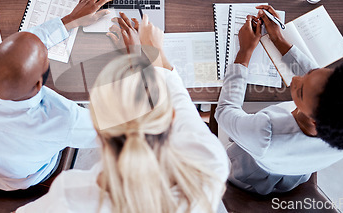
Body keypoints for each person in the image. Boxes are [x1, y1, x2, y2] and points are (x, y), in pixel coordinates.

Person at [17, 13, 229, 213]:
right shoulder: (210, 164)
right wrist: (146, 53)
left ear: (98, 133)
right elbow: (179, 99)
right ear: (171, 117)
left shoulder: (71, 195)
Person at [216, 5, 343, 195]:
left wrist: (244, 52)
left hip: (247, 170)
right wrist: (278, 39)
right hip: (293, 170)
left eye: (300, 92)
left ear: (314, 120)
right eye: (314, 72)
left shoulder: (266, 133)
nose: (295, 79)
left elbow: (224, 110)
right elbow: (316, 83)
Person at [0, 0, 114, 191]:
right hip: (26, 177)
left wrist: (71, 20)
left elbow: (17, 51)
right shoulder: (62, 118)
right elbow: (115, 131)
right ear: (38, 84)